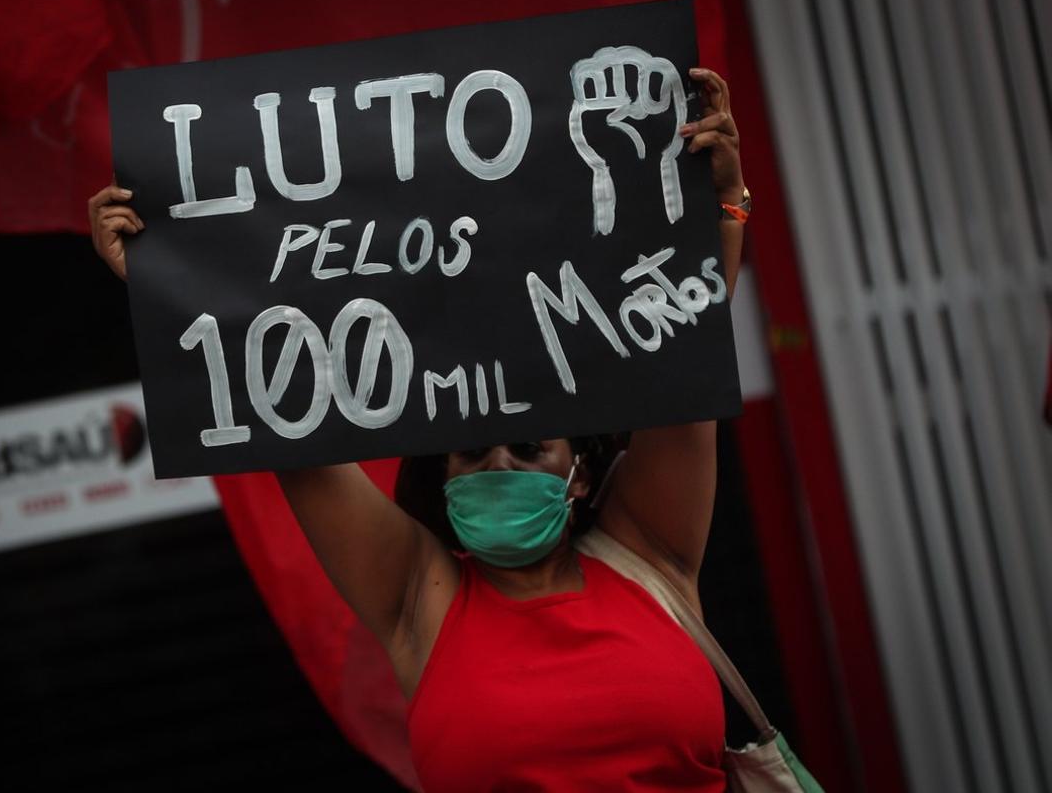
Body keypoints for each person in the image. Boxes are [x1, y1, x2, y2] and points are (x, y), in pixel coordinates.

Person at [91, 67, 747, 791]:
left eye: (528, 448)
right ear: (445, 478)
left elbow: (685, 354)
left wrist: (722, 203)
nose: (499, 460)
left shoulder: (652, 554)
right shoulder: (420, 599)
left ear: (581, 473)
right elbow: (289, 434)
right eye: (473, 452)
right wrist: (167, 282)